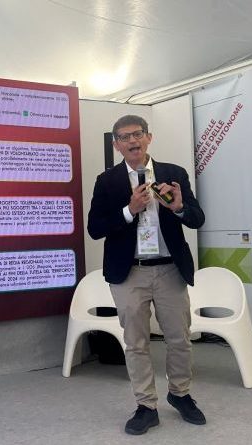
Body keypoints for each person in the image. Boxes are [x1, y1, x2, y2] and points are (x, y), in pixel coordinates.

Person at [87, 115, 206, 435]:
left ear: (148, 137)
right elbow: (95, 228)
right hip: (130, 273)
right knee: (136, 343)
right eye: (124, 137)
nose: (132, 141)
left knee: (179, 338)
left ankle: (180, 394)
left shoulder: (174, 174)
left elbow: (197, 218)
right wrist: (129, 210)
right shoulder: (107, 181)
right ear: (116, 145)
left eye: (137, 134)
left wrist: (178, 207)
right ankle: (146, 405)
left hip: (169, 269)